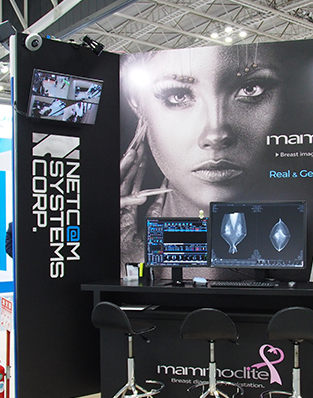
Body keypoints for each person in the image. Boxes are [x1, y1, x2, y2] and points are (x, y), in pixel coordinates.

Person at [119, 44, 285, 268]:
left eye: (250, 89)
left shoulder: (297, 224)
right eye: (178, 95)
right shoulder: (129, 248)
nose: (215, 134)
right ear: (136, 101)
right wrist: (124, 263)